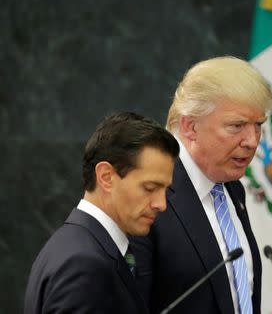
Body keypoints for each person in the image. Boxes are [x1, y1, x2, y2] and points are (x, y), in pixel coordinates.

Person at [130, 56, 272, 314]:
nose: (253, 141)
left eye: (258, 126)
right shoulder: (147, 197)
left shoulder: (232, 188)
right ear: (191, 127)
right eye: (237, 126)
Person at [24, 112, 179, 314]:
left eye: (165, 190)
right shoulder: (84, 264)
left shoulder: (75, 245)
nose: (161, 204)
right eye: (150, 188)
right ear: (106, 177)